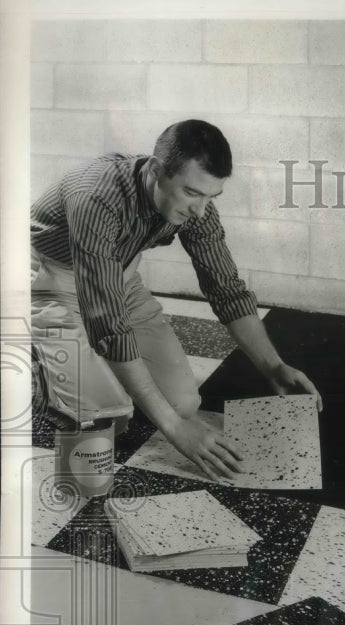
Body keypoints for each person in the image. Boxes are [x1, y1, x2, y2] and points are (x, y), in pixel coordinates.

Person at [31, 119, 321, 483]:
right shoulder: (95, 198)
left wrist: (273, 366)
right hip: (51, 279)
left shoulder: (192, 204)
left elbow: (226, 288)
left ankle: (84, 370)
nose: (200, 210)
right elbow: (108, 323)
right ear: (156, 170)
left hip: (118, 276)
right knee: (103, 414)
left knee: (184, 404)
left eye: (210, 197)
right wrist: (176, 431)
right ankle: (40, 371)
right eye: (192, 193)